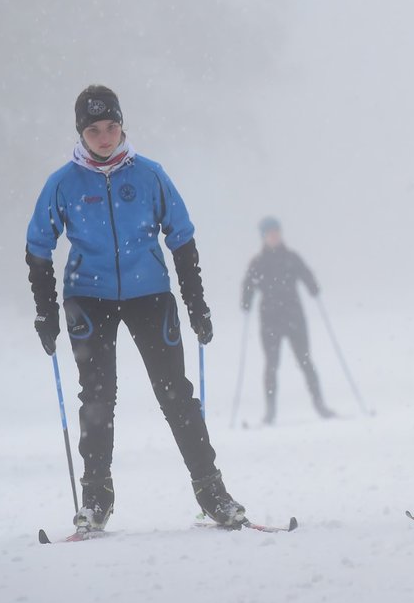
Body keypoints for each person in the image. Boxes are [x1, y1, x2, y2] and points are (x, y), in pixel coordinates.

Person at [25, 85, 246, 531]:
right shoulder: (63, 184)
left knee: (176, 395)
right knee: (98, 399)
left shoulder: (149, 175)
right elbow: (38, 247)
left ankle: (212, 491)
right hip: (88, 297)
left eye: (111, 127)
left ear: (123, 125)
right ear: (81, 134)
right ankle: (96, 499)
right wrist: (46, 312)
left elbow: (181, 238)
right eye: (94, 130)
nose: (104, 137)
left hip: (150, 295)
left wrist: (196, 304)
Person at [241, 217, 335, 424]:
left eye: (276, 232)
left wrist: (313, 287)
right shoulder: (258, 262)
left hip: (294, 317)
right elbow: (248, 284)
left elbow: (306, 275)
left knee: (305, 360)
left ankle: (320, 404)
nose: (274, 236)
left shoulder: (291, 258)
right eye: (269, 234)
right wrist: (246, 301)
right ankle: (270, 411)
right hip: (270, 320)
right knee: (272, 365)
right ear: (263, 237)